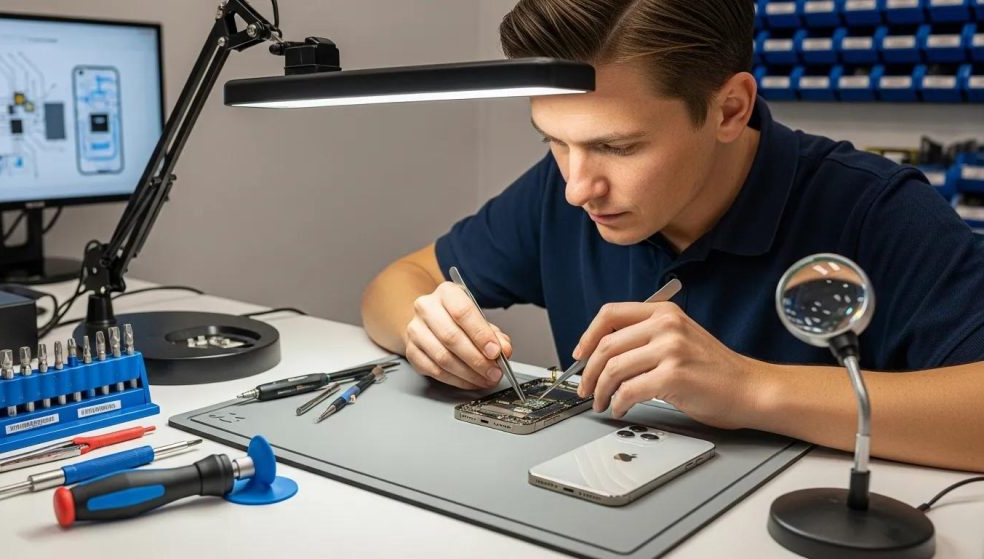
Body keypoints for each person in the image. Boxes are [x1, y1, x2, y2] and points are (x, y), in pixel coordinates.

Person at [361, 0, 984, 472]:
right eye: (552, 140)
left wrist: (751, 388)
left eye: (618, 146)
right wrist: (429, 328)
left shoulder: (876, 210)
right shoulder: (561, 193)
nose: (578, 188)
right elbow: (396, 283)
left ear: (730, 110)